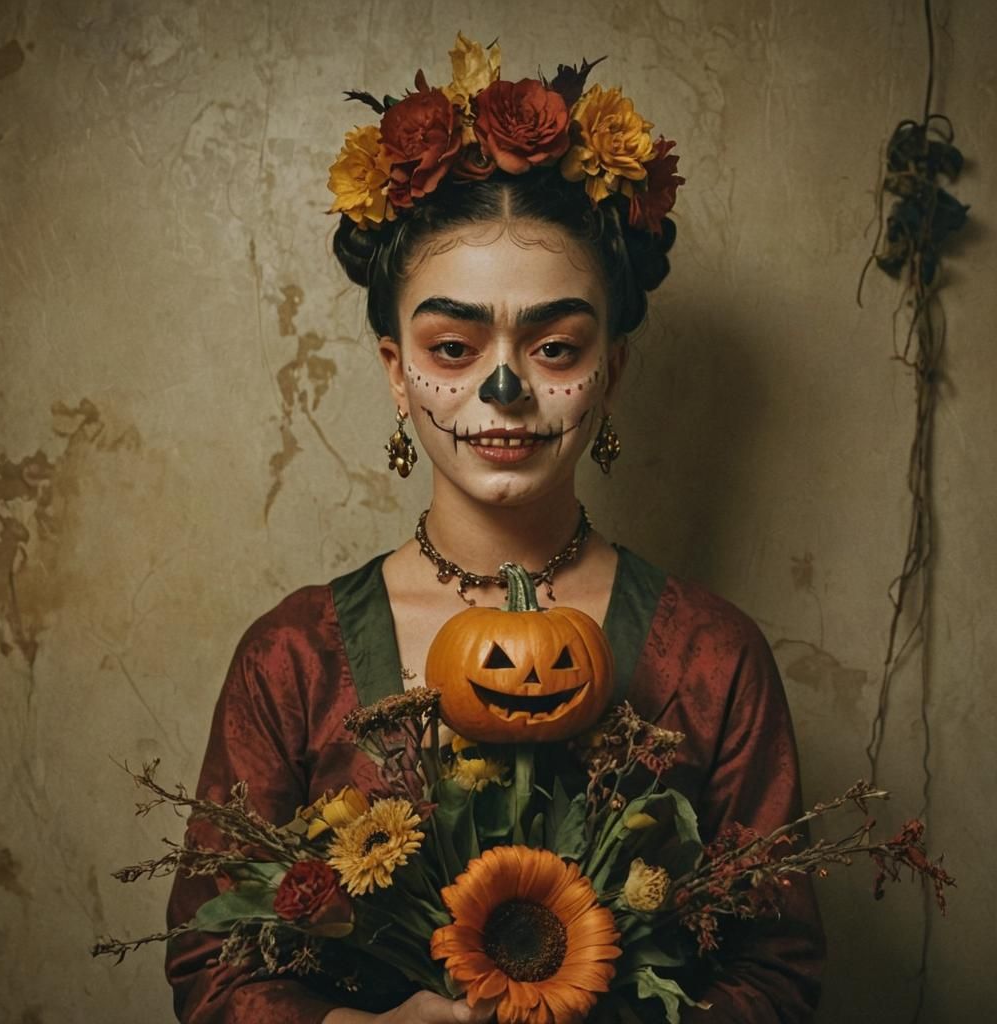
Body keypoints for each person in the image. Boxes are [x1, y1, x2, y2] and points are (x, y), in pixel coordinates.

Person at [166, 36, 825, 1024]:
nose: (504, 389)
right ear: (396, 369)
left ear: (612, 370)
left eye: (554, 345)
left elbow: (776, 974)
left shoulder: (710, 656)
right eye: (453, 346)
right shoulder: (294, 657)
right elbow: (212, 962)